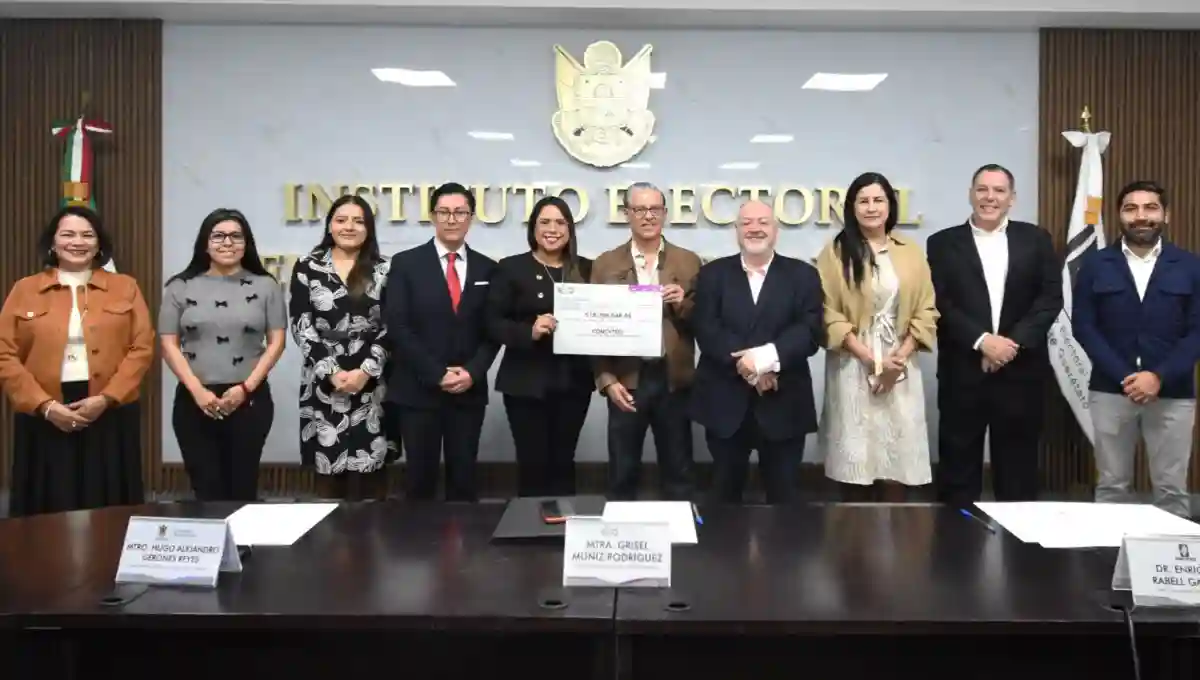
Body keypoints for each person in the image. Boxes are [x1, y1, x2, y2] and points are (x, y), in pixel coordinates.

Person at [0, 206, 154, 516]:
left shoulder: (125, 286)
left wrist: (106, 398)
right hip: (45, 409)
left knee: (107, 502)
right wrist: (45, 406)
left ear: (99, 244)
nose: (78, 242)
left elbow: (142, 347)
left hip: (109, 408)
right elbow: (5, 352)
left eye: (87, 235)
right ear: (53, 243)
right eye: (68, 234)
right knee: (49, 502)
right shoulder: (25, 289)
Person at [926, 164, 1061, 506]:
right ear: (971, 194)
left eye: (999, 190)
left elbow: (1049, 299)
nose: (990, 197)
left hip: (1021, 372)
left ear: (1012, 198)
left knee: (1019, 476)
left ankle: (1016, 542)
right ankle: (956, 538)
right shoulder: (941, 243)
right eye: (982, 189)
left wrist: (1010, 345)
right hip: (963, 371)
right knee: (958, 475)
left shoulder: (1037, 239)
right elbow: (939, 302)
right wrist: (982, 341)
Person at [1073, 180, 1200, 518]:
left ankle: (1171, 553)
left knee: (1171, 489)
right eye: (1131, 209)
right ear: (1120, 215)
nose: (1141, 216)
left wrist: (1158, 376)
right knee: (1112, 486)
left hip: (1173, 392)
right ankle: (1109, 552)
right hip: (1111, 390)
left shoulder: (1190, 266)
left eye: (1150, 208)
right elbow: (1084, 326)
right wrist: (1126, 376)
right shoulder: (1095, 265)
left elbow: (1197, 331)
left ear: (1166, 215)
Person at [816, 172, 939, 501]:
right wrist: (868, 357)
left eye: (878, 200)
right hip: (853, 360)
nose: (871, 208)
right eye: (863, 201)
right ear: (852, 207)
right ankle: (852, 530)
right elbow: (827, 311)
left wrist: (898, 358)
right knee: (855, 458)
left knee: (898, 457)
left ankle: (898, 529)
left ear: (890, 205)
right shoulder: (836, 252)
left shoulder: (910, 251)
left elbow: (927, 309)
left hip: (900, 359)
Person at [691, 200, 823, 504]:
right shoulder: (712, 274)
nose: (755, 229)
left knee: (785, 500)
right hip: (724, 404)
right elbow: (707, 330)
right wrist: (751, 371)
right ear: (736, 230)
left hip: (784, 403)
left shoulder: (803, 275)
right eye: (747, 222)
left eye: (763, 222)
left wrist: (763, 361)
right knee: (723, 499)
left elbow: (809, 331)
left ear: (776, 230)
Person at [159, 208, 287, 502]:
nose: (227, 242)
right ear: (205, 243)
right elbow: (168, 344)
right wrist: (198, 391)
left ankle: (242, 535)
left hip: (249, 398)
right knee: (205, 489)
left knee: (243, 487)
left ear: (246, 243)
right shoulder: (179, 286)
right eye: (218, 236)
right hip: (195, 399)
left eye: (236, 236)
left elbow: (277, 342)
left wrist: (245, 389)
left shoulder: (266, 285)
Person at [385, 182, 499, 502]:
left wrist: (472, 372)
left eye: (460, 212)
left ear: (471, 217)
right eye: (444, 212)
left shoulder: (488, 268)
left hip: (467, 391)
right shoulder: (406, 264)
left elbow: (493, 331)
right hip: (418, 391)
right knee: (419, 484)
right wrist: (437, 374)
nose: (452, 219)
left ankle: (463, 537)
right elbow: (398, 327)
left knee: (464, 484)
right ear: (433, 216)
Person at [591, 181, 701, 501]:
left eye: (654, 209)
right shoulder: (605, 263)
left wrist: (683, 302)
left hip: (673, 379)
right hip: (626, 379)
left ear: (665, 213)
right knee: (622, 472)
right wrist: (606, 379)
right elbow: (592, 329)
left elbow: (705, 322)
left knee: (678, 470)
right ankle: (620, 530)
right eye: (639, 209)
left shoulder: (688, 261)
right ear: (627, 214)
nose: (648, 216)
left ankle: (680, 530)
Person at [486, 195, 594, 497]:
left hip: (573, 382)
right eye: (544, 222)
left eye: (560, 222)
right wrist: (528, 331)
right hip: (525, 382)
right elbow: (493, 322)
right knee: (532, 464)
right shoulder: (511, 268)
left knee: (564, 461)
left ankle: (564, 522)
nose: (552, 229)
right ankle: (530, 522)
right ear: (533, 228)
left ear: (570, 229)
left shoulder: (587, 269)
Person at [289, 194, 394, 501]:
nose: (349, 227)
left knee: (371, 480)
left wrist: (366, 370)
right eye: (341, 219)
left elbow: (393, 326)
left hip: (372, 383)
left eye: (358, 221)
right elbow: (301, 325)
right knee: (328, 481)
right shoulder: (308, 267)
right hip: (324, 383)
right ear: (329, 226)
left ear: (369, 228)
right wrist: (331, 371)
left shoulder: (385, 269)